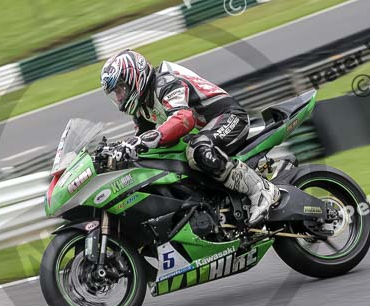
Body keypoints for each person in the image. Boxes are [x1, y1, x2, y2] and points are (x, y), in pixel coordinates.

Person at [100, 49, 280, 225]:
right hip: (205, 130)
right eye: (115, 93)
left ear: (134, 77)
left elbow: (183, 119)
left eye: (120, 88)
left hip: (230, 117)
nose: (119, 96)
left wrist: (146, 140)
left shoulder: (164, 82)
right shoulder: (142, 107)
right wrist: (120, 148)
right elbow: (141, 139)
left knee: (198, 149)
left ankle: (261, 190)